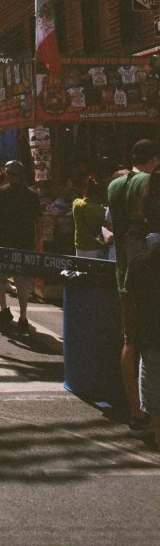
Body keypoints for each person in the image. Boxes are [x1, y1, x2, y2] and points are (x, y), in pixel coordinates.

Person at [107, 138, 160, 430]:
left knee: (130, 339)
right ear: (154, 160)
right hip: (149, 269)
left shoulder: (115, 185)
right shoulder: (148, 182)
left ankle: (134, 409)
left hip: (124, 268)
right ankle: (153, 413)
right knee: (152, 340)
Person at [124, 165, 160, 451]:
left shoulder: (144, 243)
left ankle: (156, 429)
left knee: (151, 361)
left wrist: (136, 228)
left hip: (152, 321)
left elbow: (138, 266)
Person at [0, 160, 42, 335]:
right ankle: (23, 317)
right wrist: (38, 243)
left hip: (3, 243)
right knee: (23, 281)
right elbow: (39, 222)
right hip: (25, 243)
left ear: (8, 175)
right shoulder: (32, 195)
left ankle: (4, 309)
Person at [72, 176, 108, 258]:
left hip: (79, 246)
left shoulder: (76, 203)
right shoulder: (99, 210)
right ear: (96, 195)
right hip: (95, 248)